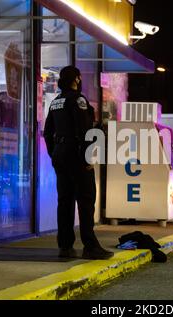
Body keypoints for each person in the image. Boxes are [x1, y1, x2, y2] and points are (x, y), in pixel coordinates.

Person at [44, 66, 114, 260]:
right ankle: (90, 246)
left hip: (60, 154)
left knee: (64, 201)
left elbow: (47, 132)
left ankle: (65, 246)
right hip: (76, 155)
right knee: (86, 199)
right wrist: (88, 157)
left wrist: (54, 152)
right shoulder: (78, 100)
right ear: (76, 79)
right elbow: (84, 131)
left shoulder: (56, 102)